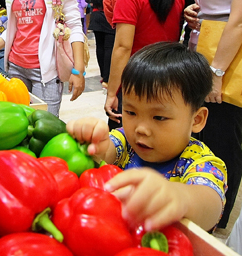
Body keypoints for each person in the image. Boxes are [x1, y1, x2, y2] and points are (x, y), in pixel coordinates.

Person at [67, 42, 227, 232]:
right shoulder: (127, 140)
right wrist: (95, 141)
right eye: (131, 112)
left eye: (159, 117)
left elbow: (210, 205)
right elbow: (107, 151)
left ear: (197, 119)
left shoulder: (200, 162)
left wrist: (180, 197)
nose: (141, 129)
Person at [184, 0, 242, 230]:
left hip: (226, 61)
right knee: (203, 131)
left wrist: (217, 72)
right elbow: (216, 4)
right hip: (204, 52)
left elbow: (239, 20)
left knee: (223, 137)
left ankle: (217, 215)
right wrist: (196, 11)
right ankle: (205, 198)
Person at [105, 0, 185, 130]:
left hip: (136, 83)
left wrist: (112, 93)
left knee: (126, 142)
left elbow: (123, 47)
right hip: (167, 81)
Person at [85, 0, 116, 90]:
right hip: (111, 14)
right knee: (110, 47)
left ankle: (103, 75)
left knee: (100, 47)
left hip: (97, 14)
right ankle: (109, 77)